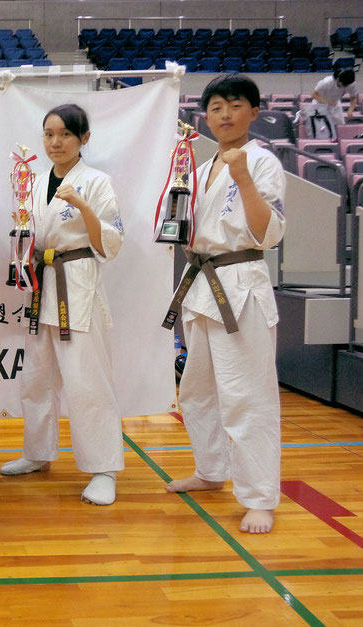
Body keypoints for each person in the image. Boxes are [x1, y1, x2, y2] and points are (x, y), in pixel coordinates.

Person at [163, 74, 286, 534]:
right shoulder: (197, 167)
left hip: (240, 283)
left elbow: (268, 233)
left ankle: (259, 497)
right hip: (199, 283)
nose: (225, 115)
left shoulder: (261, 162)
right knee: (196, 391)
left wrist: (242, 178)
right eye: (216, 107)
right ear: (206, 116)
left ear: (254, 112)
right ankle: (211, 470)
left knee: (247, 396)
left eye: (235, 105)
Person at [0, 104, 125, 507]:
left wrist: (83, 205)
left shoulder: (97, 182)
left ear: (84, 138)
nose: (56, 142)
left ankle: (104, 468)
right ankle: (37, 452)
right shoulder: (33, 182)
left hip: (78, 283)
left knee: (87, 382)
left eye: (65, 134)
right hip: (42, 283)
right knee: (36, 377)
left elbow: (111, 241)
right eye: (49, 134)